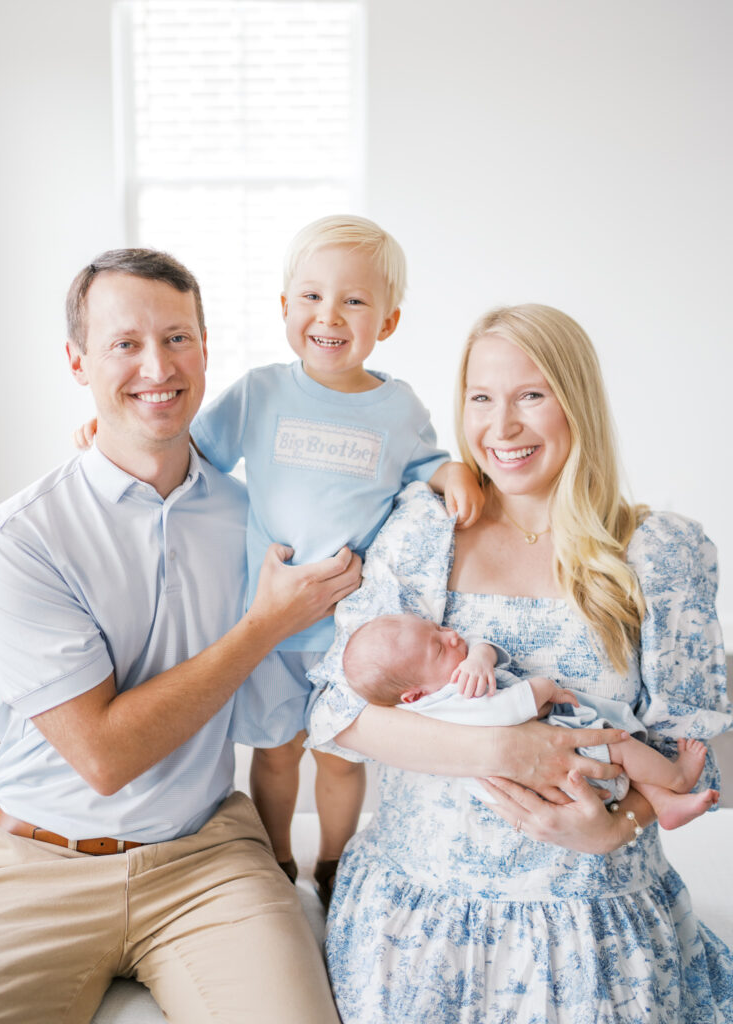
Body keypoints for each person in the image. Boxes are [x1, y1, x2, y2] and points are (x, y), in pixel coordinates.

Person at [0, 249, 362, 1024]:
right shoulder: (17, 539)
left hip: (205, 855)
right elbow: (103, 757)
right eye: (125, 343)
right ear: (78, 362)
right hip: (35, 863)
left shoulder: (257, 519)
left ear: (205, 351)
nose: (158, 366)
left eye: (177, 338)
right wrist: (263, 626)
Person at [305, 303, 733, 1022]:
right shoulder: (425, 530)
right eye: (481, 398)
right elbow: (337, 711)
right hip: (419, 924)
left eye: (530, 395)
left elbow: (699, 751)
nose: (500, 428)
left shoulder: (657, 552)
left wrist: (618, 827)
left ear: (578, 402)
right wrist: (505, 749)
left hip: (594, 922)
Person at [75, 215, 483, 904]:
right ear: (285, 307)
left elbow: (425, 464)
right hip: (268, 622)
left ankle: (334, 863)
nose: (330, 315)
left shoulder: (398, 407)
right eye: (312, 297)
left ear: (387, 322)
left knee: (342, 756)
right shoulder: (261, 392)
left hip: (353, 629)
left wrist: (453, 473)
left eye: (355, 300)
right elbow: (189, 448)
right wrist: (113, 433)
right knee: (274, 752)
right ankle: (277, 859)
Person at [343, 612, 719, 829]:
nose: (453, 635)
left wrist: (479, 657)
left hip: (553, 768)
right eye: (439, 646)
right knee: (619, 745)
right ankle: (677, 778)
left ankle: (663, 802)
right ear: (414, 695)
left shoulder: (435, 685)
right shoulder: (450, 700)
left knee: (622, 763)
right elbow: (507, 710)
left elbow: (478, 643)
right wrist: (545, 687)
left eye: (438, 627)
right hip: (560, 772)